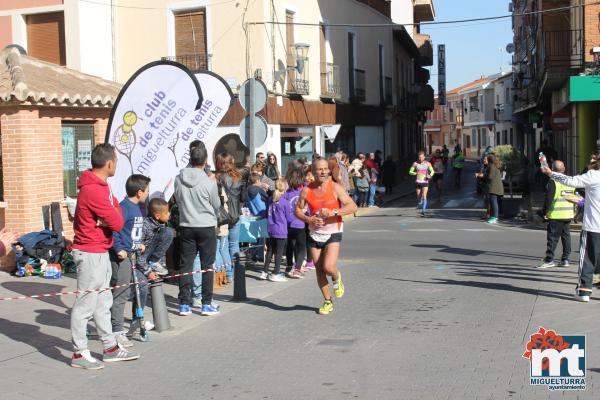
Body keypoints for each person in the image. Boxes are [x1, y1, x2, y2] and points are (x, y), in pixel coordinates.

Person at [70, 143, 138, 370]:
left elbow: (115, 212)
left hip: (100, 250)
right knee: (85, 305)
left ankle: (109, 347)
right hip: (90, 252)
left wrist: (106, 218)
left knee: (102, 302)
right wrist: (107, 218)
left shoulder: (102, 185)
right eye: (116, 161)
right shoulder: (94, 189)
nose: (116, 165)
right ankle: (79, 353)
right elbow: (118, 222)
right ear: (109, 163)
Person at [295, 158, 358, 315]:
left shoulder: (335, 187)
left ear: (329, 171)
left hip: (333, 230)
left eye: (325, 169)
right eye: (319, 169)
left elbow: (352, 206)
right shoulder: (306, 190)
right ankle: (327, 301)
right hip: (314, 233)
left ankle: (336, 277)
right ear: (313, 171)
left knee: (328, 267)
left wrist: (333, 212)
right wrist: (309, 219)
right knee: (319, 270)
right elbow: (297, 210)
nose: (323, 172)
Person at [541, 157, 600, 302]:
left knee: (587, 258)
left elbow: (570, 180)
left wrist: (550, 173)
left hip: (594, 225)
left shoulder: (594, 175)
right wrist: (582, 201)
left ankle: (584, 291)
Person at [174, 146, 221, 316]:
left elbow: (178, 200)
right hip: (206, 226)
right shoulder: (209, 182)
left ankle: (184, 304)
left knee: (185, 265)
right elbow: (216, 205)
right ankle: (206, 303)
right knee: (207, 266)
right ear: (205, 161)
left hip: (186, 225)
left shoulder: (178, 179)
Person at [109, 174, 151, 349]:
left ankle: (136, 321)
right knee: (121, 293)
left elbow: (132, 231)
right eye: (147, 190)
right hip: (123, 257)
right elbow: (115, 229)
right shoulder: (124, 207)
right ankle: (117, 331)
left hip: (134, 254)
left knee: (142, 286)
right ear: (140, 192)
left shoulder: (138, 208)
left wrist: (139, 244)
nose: (148, 193)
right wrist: (118, 248)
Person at [538, 160, 574, 269]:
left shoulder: (553, 182)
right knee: (566, 237)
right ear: (564, 169)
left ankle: (549, 259)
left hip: (555, 214)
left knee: (552, 238)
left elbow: (549, 199)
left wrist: (545, 212)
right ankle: (565, 259)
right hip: (567, 214)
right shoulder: (570, 180)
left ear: (552, 169)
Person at [215, 152, 245, 279]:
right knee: (234, 245)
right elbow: (243, 197)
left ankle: (228, 274)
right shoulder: (238, 177)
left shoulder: (217, 178)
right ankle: (237, 273)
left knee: (222, 246)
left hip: (222, 215)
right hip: (236, 214)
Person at [260, 179, 290, 282]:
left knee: (270, 250)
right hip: (281, 229)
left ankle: (264, 272)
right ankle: (276, 273)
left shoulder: (270, 199)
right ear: (284, 189)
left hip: (271, 228)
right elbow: (288, 217)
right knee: (279, 252)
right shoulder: (285, 202)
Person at [137, 198, 173, 277]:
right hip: (142, 259)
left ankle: (154, 262)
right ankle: (151, 263)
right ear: (157, 216)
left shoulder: (161, 224)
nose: (169, 214)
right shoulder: (145, 226)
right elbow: (138, 253)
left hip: (150, 256)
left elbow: (160, 247)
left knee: (169, 232)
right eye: (166, 212)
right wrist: (147, 271)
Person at [283, 165, 307, 279]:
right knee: (301, 246)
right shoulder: (303, 192)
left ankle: (289, 266)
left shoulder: (286, 193)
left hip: (288, 224)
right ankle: (297, 268)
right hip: (300, 223)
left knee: (290, 246)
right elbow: (308, 208)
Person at [478, 154, 503, 224]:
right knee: (492, 202)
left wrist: (482, 176)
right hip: (494, 187)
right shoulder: (492, 166)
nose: (484, 160)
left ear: (489, 160)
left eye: (486, 159)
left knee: (493, 202)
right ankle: (493, 216)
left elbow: (490, 177)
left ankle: (495, 217)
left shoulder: (491, 166)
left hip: (494, 188)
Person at [409, 151, 435, 216]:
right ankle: (419, 201)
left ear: (424, 157)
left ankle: (423, 211)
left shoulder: (428, 163)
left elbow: (432, 171)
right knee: (418, 197)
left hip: (425, 182)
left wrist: (430, 175)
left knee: (424, 196)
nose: (420, 159)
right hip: (418, 182)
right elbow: (410, 172)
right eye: (419, 157)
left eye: (421, 157)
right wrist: (415, 173)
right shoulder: (415, 163)